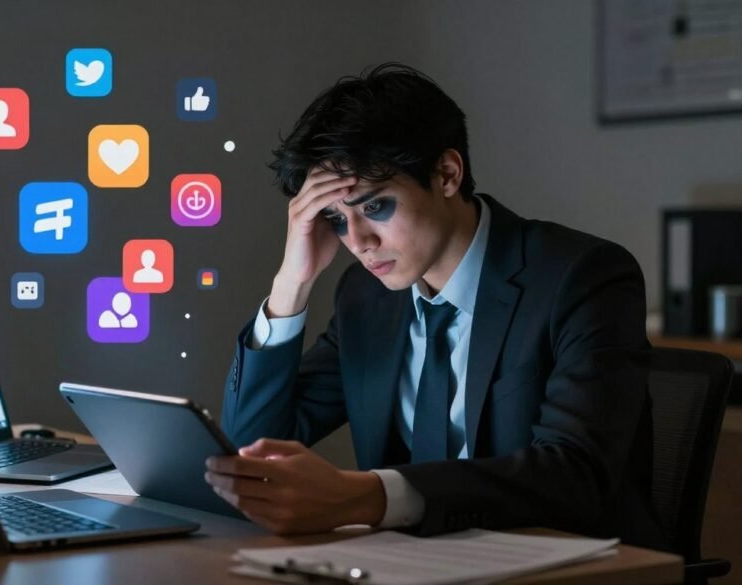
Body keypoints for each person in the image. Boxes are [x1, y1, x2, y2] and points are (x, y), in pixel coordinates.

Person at [204, 63, 664, 549]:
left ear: (446, 174)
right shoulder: (366, 297)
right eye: (335, 219)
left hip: (566, 565)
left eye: (374, 207)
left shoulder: (581, 276)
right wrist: (291, 283)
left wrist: (371, 496)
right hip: (412, 564)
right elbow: (251, 453)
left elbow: (574, 474)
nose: (357, 241)